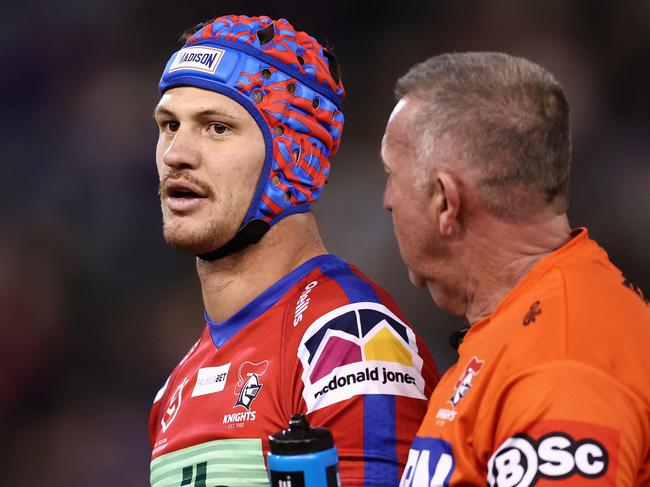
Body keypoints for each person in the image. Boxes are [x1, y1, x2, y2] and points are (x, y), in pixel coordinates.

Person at [148, 14, 439, 487]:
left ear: (292, 156)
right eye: (168, 125)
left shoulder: (350, 339)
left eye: (217, 128)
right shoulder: (174, 387)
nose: (176, 153)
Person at [380, 52, 650, 486]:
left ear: (445, 202)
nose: (386, 199)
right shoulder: (524, 326)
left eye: (391, 173)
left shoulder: (561, 359)